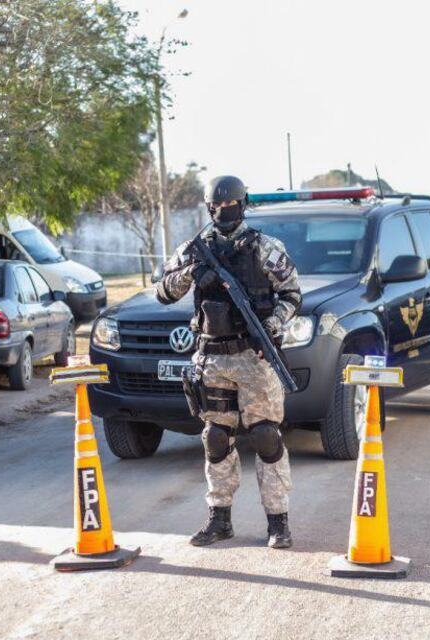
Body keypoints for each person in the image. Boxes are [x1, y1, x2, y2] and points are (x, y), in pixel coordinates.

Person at [155, 175, 302, 549]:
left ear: (243, 204)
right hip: (212, 357)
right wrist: (192, 273)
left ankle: (278, 523)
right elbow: (163, 292)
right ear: (208, 208)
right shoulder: (194, 248)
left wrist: (270, 324)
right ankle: (219, 520)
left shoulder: (265, 248)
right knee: (216, 438)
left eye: (231, 206)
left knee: (266, 437)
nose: (224, 212)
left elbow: (292, 294)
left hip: (253, 357)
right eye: (217, 207)